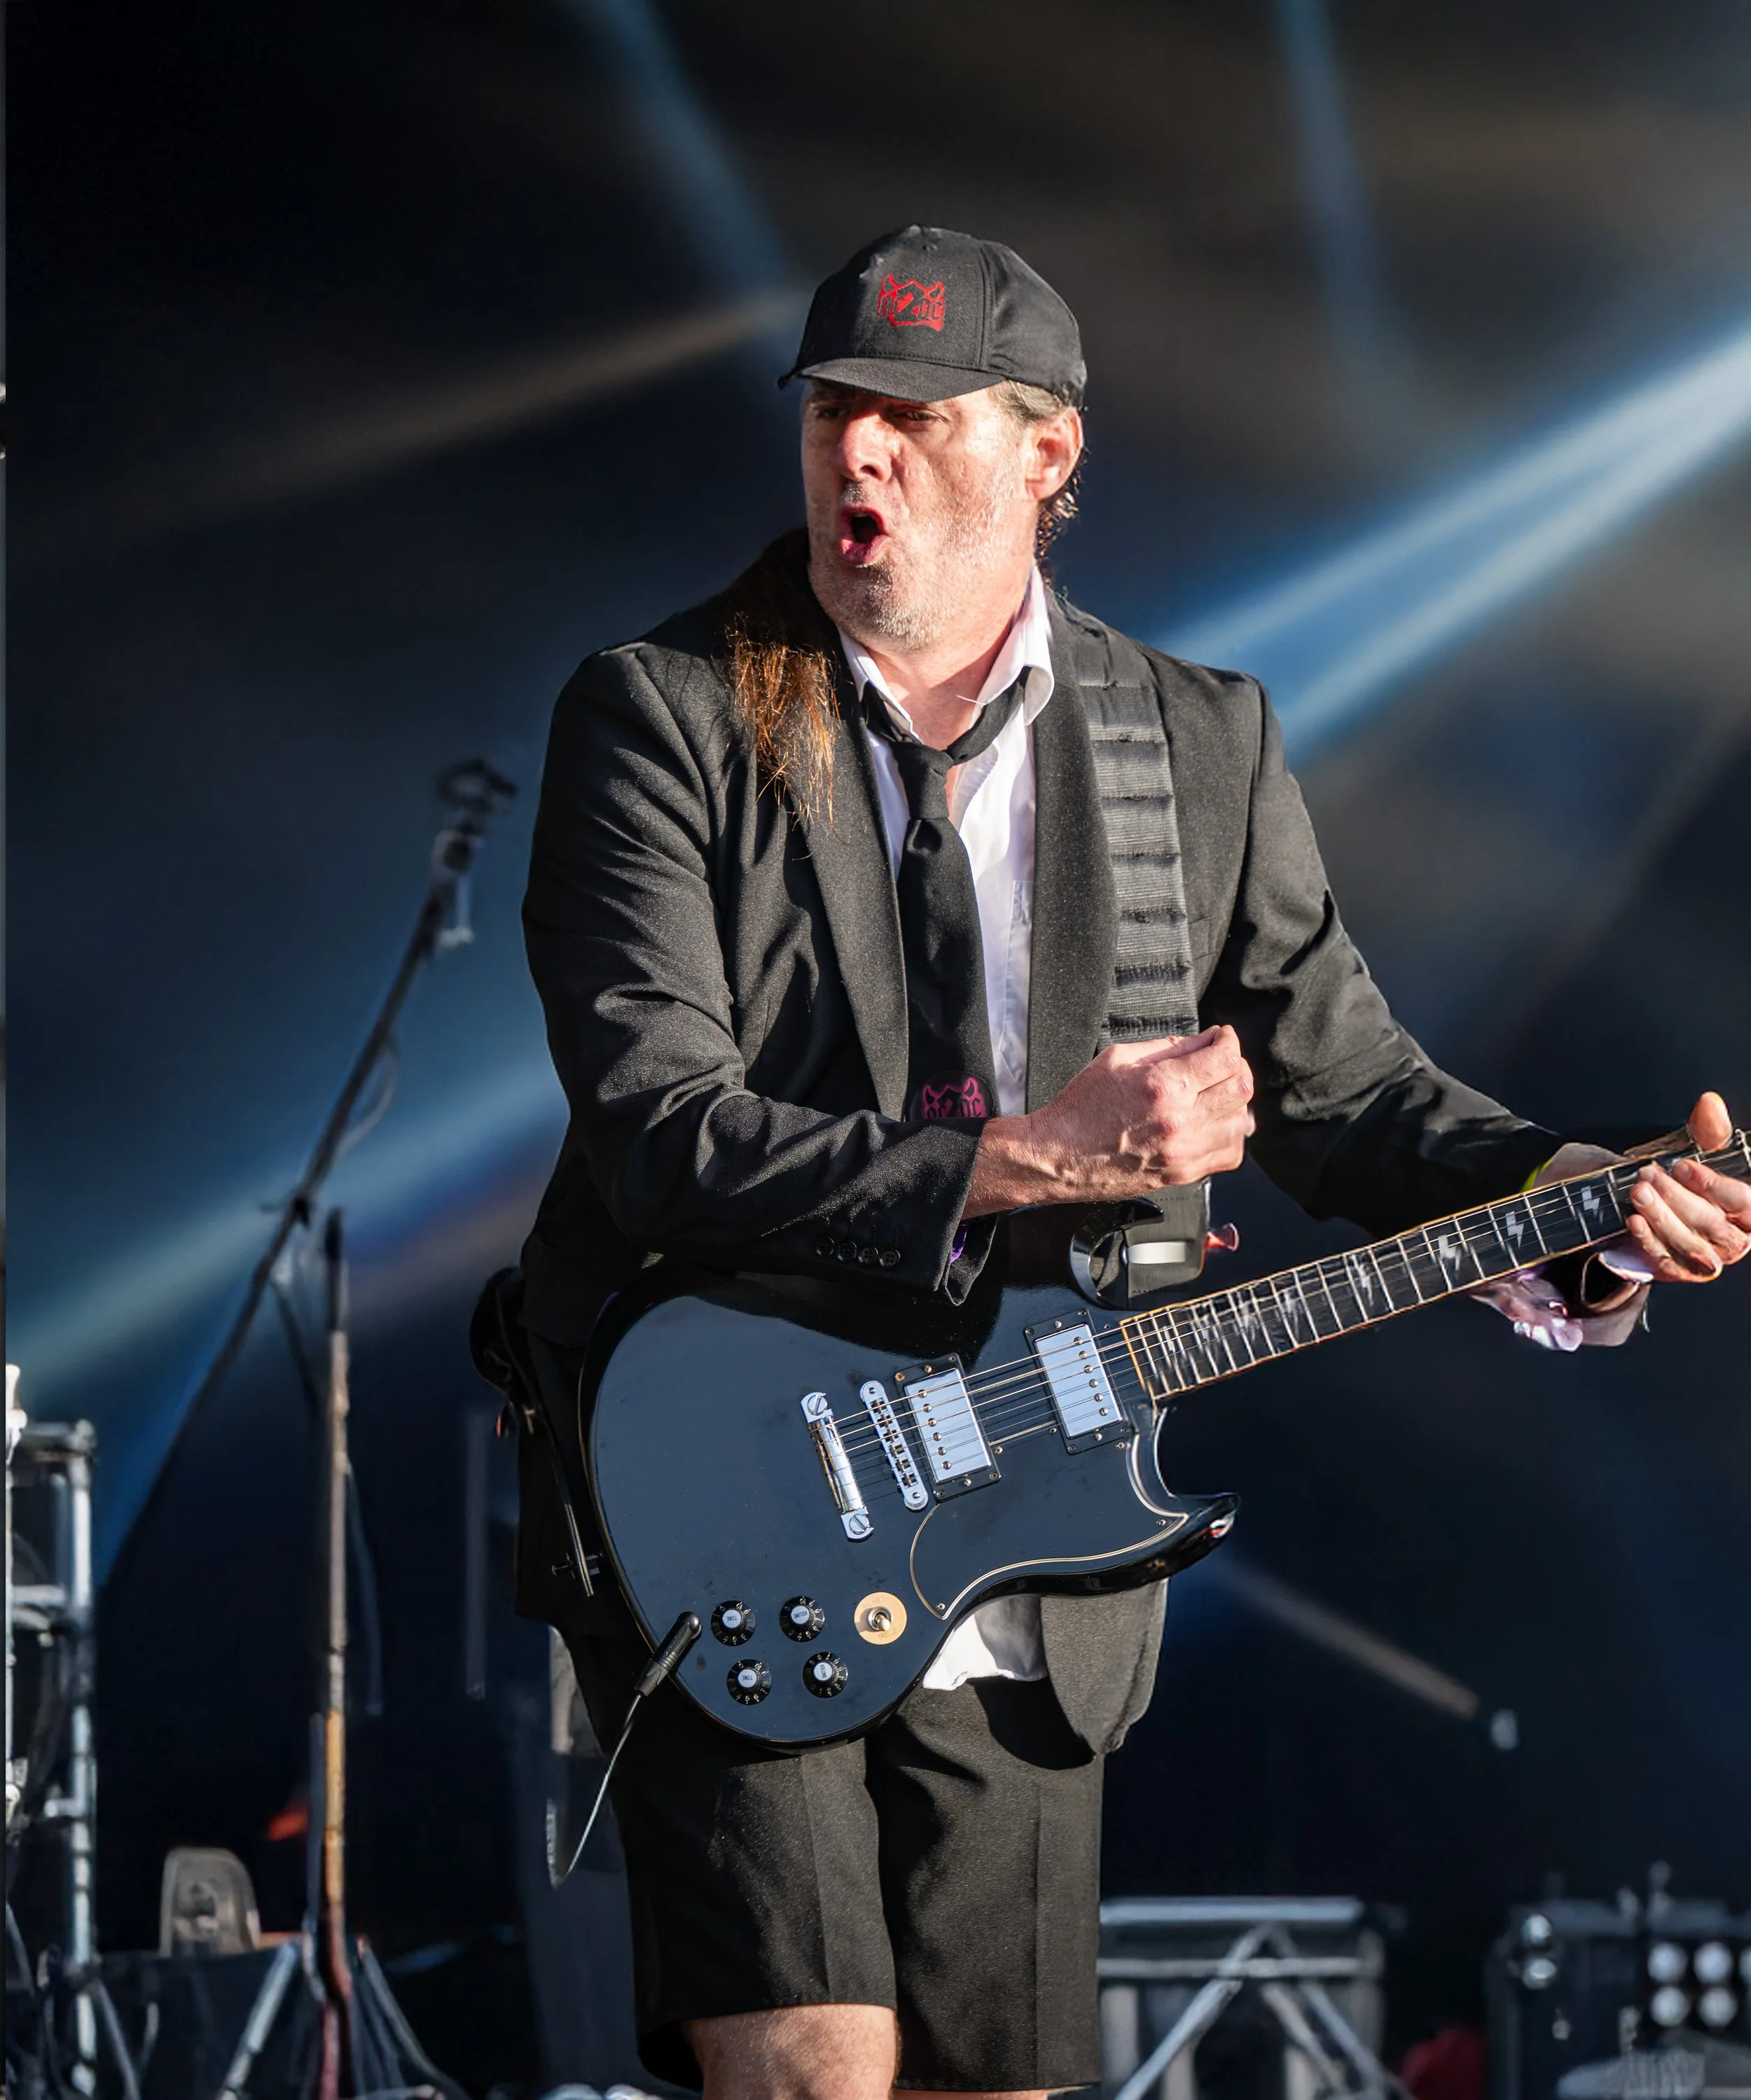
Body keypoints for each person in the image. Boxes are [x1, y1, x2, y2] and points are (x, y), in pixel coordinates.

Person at [504, 227, 1750, 2100]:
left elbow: (1347, 1095)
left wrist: (1575, 1198)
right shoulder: (663, 712)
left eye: (918, 416)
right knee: (815, 2074)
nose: (858, 449)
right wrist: (1032, 1156)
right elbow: (655, 1126)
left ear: (1046, 451)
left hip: (1038, 1507)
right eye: (833, 410)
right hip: (735, 1479)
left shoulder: (1193, 739)